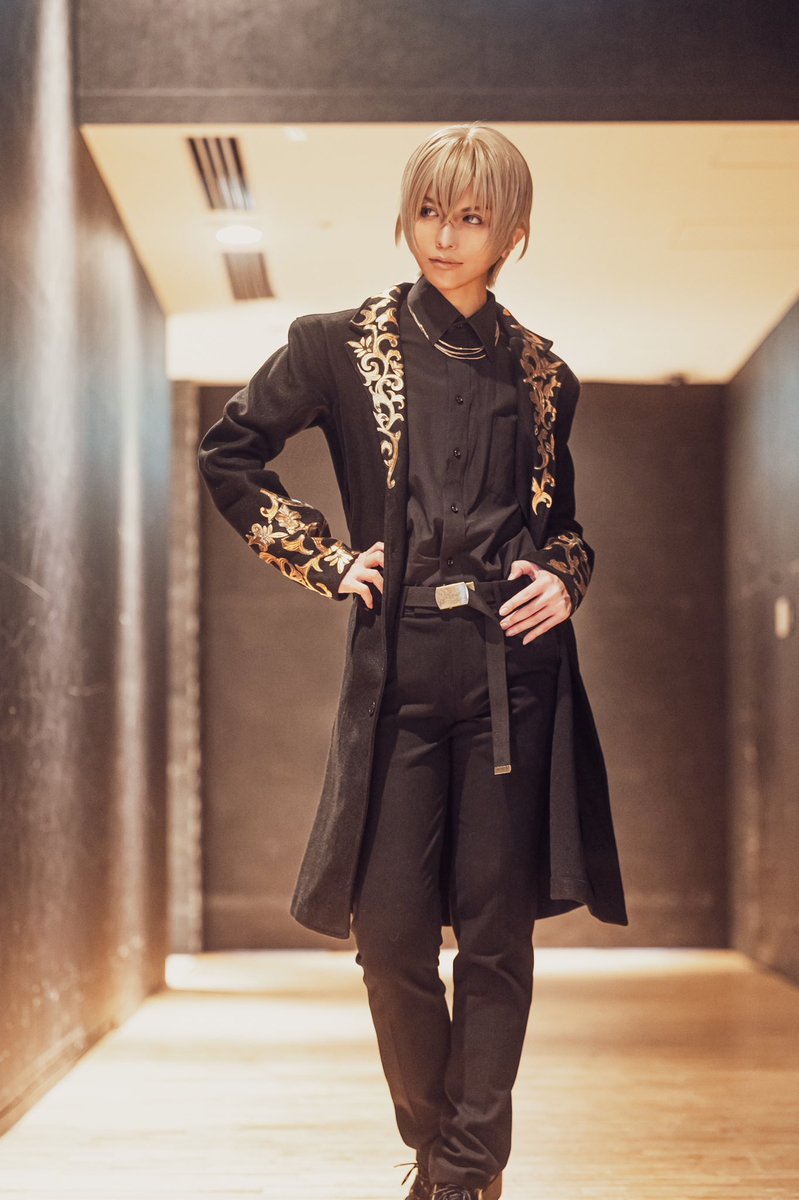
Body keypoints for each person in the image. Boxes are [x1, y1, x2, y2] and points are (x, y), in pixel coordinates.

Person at [197, 121, 627, 1200]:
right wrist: (324, 559)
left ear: (510, 233)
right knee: (387, 938)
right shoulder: (337, 345)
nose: (444, 234)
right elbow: (231, 452)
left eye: (471, 217)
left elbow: (564, 528)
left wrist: (564, 578)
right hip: (397, 670)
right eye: (429, 210)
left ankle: (464, 1174)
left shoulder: (544, 375)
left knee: (493, 938)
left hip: (511, 673)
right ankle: (440, 1140)